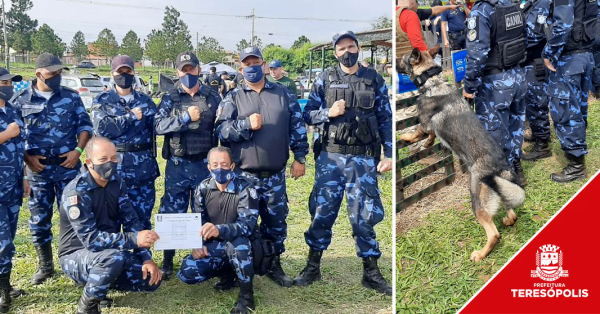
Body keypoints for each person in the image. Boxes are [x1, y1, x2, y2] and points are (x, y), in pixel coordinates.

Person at [295, 31, 393, 295]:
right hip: (330, 158)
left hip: (362, 159)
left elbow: (385, 118)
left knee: (364, 216)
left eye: (351, 46)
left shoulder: (374, 79)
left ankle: (371, 272)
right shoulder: (324, 79)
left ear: (358, 48)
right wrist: (329, 112)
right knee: (322, 213)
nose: (347, 51)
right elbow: (307, 114)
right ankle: (312, 267)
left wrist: (390, 154)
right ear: (335, 52)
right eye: (341, 48)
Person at [217, 46, 309, 287]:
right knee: (240, 224)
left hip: (275, 176)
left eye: (255, 61)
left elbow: (297, 127)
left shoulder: (283, 94)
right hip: (243, 176)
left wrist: (300, 158)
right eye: (247, 63)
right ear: (241, 68)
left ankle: (273, 265)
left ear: (264, 64)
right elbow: (221, 130)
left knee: (276, 224)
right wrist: (245, 124)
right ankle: (237, 269)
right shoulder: (234, 96)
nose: (252, 67)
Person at [12, 53, 93, 284]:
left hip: (68, 168)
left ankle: (77, 263)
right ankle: (46, 266)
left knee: (75, 216)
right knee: (39, 219)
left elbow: (85, 125)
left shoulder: (70, 97)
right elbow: (17, 136)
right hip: (39, 171)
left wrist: (78, 150)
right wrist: (28, 160)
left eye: (59, 73)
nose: (57, 77)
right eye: (52, 74)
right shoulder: (20, 100)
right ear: (38, 74)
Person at [59, 137, 162, 314]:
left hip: (110, 251)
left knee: (150, 280)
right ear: (89, 163)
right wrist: (134, 239)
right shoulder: (76, 192)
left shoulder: (117, 182)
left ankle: (100, 282)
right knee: (113, 258)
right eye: (103, 159)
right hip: (76, 255)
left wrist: (146, 257)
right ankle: (87, 308)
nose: (110, 164)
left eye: (114, 158)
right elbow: (91, 241)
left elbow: (130, 221)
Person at [155, 51, 221, 279]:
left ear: (198, 69)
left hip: (204, 164)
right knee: (173, 211)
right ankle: (167, 261)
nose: (188, 73)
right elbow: (158, 126)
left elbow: (220, 128)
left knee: (205, 211)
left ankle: (204, 254)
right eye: (183, 70)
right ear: (177, 72)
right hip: (178, 165)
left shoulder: (213, 97)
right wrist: (184, 119)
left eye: (191, 68)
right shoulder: (170, 98)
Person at [178, 147, 260, 314]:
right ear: (208, 167)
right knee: (187, 271)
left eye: (224, 164)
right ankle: (228, 274)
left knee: (238, 247)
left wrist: (219, 230)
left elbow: (247, 225)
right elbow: (198, 221)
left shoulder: (245, 188)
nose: (219, 168)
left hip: (244, 244)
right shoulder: (203, 188)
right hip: (216, 245)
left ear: (232, 166)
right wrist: (197, 244)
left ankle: (246, 295)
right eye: (215, 164)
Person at [462, 0, 528, 187]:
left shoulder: (481, 11)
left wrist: (469, 87)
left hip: (495, 83)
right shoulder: (511, 5)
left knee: (494, 134)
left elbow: (477, 55)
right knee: (515, 126)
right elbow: (526, 38)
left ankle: (504, 180)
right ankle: (516, 168)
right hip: (517, 75)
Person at [91, 55, 159, 230]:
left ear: (133, 73)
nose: (124, 75)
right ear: (112, 73)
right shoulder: (102, 100)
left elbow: (159, 126)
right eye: (120, 72)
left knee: (141, 221)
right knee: (111, 221)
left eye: (128, 71)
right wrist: (130, 117)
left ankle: (142, 257)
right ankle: (115, 258)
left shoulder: (146, 101)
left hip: (143, 170)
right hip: (114, 170)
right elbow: (102, 128)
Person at [542, 0, 597, 182]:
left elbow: (563, 24)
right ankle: (577, 152)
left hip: (569, 60)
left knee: (565, 111)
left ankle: (576, 166)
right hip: (585, 56)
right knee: (579, 109)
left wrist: (548, 53)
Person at [0, 67, 27, 314]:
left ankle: (6, 285)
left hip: (13, 186)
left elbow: (21, 147)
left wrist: (25, 177)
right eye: (4, 82)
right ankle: (2, 291)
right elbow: (11, 137)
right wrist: (6, 134)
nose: (8, 86)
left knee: (9, 238)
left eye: (10, 82)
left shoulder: (14, 111)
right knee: (2, 242)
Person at [520, 0, 553, 162]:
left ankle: (543, 145)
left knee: (536, 102)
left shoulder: (544, 4)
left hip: (536, 60)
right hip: (528, 61)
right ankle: (538, 133)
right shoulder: (530, 3)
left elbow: (536, 34)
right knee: (530, 102)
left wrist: (515, 41)